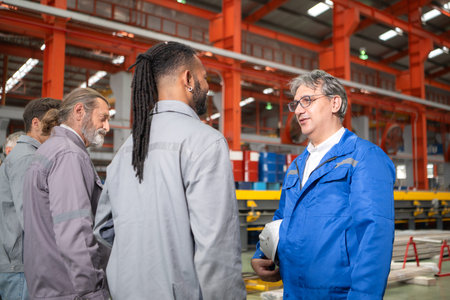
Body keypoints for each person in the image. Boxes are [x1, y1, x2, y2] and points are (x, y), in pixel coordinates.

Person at [94, 41, 246, 299]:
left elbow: (103, 229)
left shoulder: (125, 150)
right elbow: (216, 250)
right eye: (204, 78)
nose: (207, 86)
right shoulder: (205, 142)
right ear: (188, 78)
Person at [251, 70, 395, 299]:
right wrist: (263, 253)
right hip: (294, 290)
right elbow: (282, 218)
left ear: (334, 103)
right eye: (296, 104)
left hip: (338, 293)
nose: (298, 110)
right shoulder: (297, 165)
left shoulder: (365, 157)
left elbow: (374, 235)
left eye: (307, 100)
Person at [23, 88, 111, 300]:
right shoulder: (69, 154)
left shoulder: (50, 149)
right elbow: (75, 231)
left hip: (48, 284)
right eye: (103, 118)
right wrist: (92, 291)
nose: (107, 127)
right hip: (70, 288)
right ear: (80, 111)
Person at [0, 98, 60, 300]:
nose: (57, 130)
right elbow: (30, 215)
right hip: (20, 265)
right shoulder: (26, 157)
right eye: (53, 124)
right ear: (35, 123)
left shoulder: (31, 155)